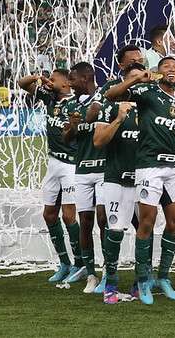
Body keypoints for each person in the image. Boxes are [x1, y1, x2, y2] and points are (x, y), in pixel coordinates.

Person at [105, 56, 175, 304]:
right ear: (158, 72)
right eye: (166, 66)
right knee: (147, 223)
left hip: (173, 167)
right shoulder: (147, 92)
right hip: (149, 167)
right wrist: (137, 79)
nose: (172, 69)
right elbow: (112, 95)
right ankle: (143, 281)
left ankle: (163, 276)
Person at [18, 69, 82, 283]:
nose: (50, 81)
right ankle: (64, 263)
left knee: (69, 216)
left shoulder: (76, 103)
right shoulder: (49, 98)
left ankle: (80, 264)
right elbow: (22, 83)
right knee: (49, 215)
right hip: (53, 162)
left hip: (71, 165)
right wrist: (39, 78)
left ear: (66, 84)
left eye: (54, 79)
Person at [93, 63, 143, 304]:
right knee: (115, 230)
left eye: (141, 78)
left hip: (144, 180)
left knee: (145, 229)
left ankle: (141, 282)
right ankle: (110, 284)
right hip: (116, 180)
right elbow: (98, 141)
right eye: (132, 79)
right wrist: (119, 119)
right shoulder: (110, 107)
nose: (137, 82)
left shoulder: (149, 107)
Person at [61, 62, 105, 293]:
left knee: (104, 221)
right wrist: (73, 127)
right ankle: (91, 274)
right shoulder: (71, 104)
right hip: (83, 170)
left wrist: (89, 117)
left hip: (106, 168)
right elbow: (67, 138)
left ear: (86, 78)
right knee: (85, 223)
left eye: (73, 79)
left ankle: (109, 272)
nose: (69, 83)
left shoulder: (106, 97)